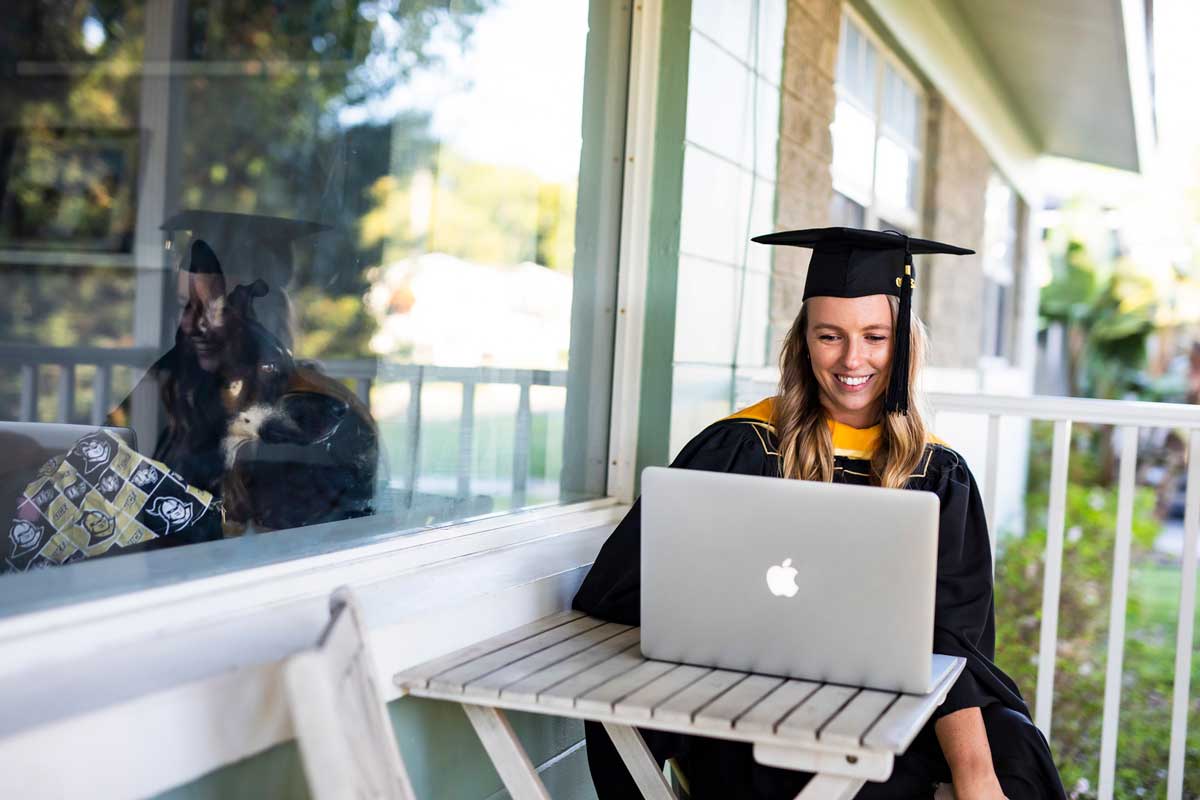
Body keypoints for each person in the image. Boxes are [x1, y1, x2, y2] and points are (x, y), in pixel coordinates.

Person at [572, 228, 1067, 799]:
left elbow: (955, 647)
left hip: (885, 708)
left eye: (875, 336)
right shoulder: (741, 448)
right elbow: (629, 588)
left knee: (1014, 748)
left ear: (905, 343)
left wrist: (976, 777)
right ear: (803, 342)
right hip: (751, 705)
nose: (853, 359)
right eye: (829, 335)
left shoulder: (939, 475)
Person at [108, 210, 378, 540]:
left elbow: (292, 552)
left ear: (263, 314)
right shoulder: (173, 388)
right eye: (184, 305)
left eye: (214, 308)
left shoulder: (319, 416)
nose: (190, 326)